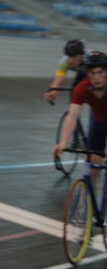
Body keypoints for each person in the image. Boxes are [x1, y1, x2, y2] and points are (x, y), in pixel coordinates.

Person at [52, 51, 107, 189]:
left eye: (100, 72)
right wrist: (64, 142)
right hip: (99, 121)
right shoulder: (82, 88)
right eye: (92, 73)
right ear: (87, 74)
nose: (96, 77)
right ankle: (91, 203)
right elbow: (72, 116)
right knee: (92, 163)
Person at [44, 39, 92, 104]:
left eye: (75, 56)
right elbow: (57, 82)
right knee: (74, 92)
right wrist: (52, 93)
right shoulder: (64, 63)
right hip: (82, 73)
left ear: (82, 55)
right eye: (70, 56)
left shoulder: (91, 58)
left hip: (95, 73)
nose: (72, 60)